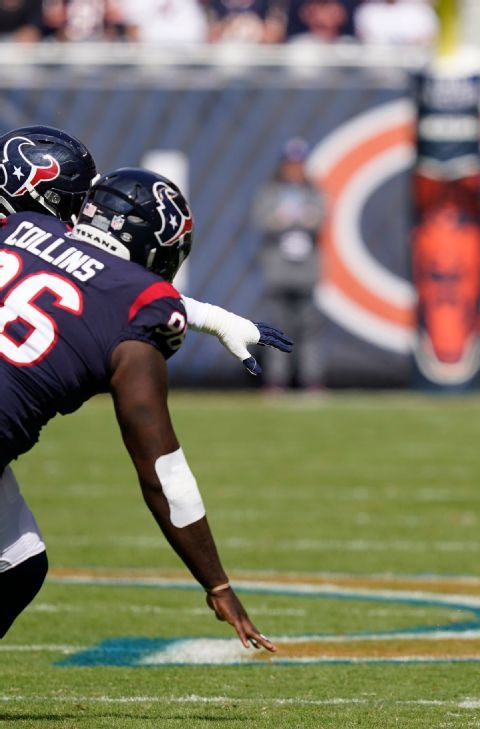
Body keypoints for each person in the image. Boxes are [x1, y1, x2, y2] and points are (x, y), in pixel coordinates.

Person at [0, 167, 276, 653]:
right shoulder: (143, 306)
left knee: (20, 559)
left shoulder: (26, 228)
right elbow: (162, 471)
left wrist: (208, 316)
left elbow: (75, 277)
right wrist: (217, 584)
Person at [0, 125, 292, 376]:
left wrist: (215, 319)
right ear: (33, 195)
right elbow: (114, 287)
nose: (82, 214)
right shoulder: (25, 237)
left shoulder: (18, 237)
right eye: (74, 202)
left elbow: (109, 283)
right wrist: (214, 320)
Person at [253, 137, 325, 391]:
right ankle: (276, 381)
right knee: (276, 330)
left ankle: (311, 381)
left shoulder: (313, 193)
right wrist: (287, 219)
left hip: (305, 273)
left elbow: (320, 219)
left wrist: (295, 219)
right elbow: (262, 220)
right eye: (290, 164)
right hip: (278, 273)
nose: (295, 169)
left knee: (309, 330)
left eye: (299, 164)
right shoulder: (270, 192)